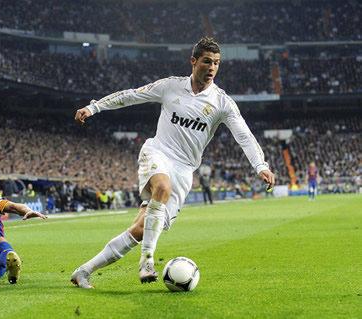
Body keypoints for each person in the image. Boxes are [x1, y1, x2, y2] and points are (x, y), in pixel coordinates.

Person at [71, 37, 275, 289]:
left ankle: (84, 271)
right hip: (158, 151)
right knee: (162, 188)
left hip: (185, 169)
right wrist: (94, 107)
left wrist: (261, 166)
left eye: (217, 63)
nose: (211, 68)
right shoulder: (170, 86)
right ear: (193, 61)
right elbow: (132, 96)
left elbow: (243, 135)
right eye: (207, 62)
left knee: (139, 229)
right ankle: (147, 261)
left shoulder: (222, 102)